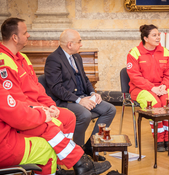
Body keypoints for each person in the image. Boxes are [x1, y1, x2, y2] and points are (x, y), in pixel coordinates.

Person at [0, 28, 111, 175]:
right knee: (46, 147)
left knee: (45, 126)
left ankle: (78, 161)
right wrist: (44, 115)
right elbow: (19, 118)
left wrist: (40, 110)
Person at [0, 17, 76, 175]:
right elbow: (16, 101)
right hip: (25, 115)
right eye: (25, 32)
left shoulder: (22, 57)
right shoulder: (2, 62)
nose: (28, 35)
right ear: (15, 37)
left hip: (39, 108)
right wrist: (44, 111)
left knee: (69, 117)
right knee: (56, 124)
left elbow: (38, 88)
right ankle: (40, 170)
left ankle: (56, 165)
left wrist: (51, 105)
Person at [44, 29, 116, 161]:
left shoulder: (76, 56)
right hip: (64, 101)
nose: (81, 44)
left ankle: (90, 146)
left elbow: (85, 79)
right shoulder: (53, 59)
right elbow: (56, 88)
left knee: (110, 109)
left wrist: (93, 93)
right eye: (79, 42)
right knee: (84, 114)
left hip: (82, 97)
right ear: (70, 44)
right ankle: (78, 154)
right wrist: (78, 100)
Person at [127, 24, 169, 152]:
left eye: (159, 35)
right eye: (154, 35)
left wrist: (163, 86)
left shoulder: (166, 52)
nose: (158, 37)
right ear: (145, 38)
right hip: (140, 89)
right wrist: (151, 88)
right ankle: (159, 140)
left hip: (161, 87)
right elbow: (135, 77)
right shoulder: (134, 53)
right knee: (154, 105)